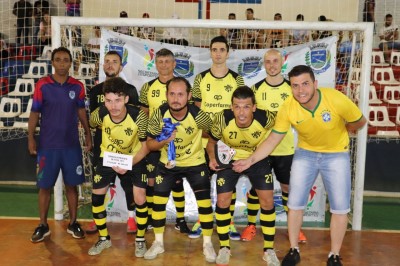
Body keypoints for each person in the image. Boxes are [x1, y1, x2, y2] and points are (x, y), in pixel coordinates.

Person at [233, 65, 367, 266]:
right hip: (306, 154)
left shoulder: (336, 99)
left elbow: (360, 121)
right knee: (294, 204)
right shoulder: (288, 107)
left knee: (340, 209)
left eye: (305, 84)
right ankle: (294, 250)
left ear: (315, 84)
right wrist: (251, 159)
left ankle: (334, 255)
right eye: (295, 85)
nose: (300, 90)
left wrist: (343, 129)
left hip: (336, 155)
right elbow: (273, 139)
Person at [142, 77, 216, 262]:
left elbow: (214, 133)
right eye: (172, 94)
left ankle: (207, 244)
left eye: (180, 94)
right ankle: (158, 243)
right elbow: (150, 145)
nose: (176, 99)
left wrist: (207, 146)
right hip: (167, 163)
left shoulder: (198, 114)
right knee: (158, 204)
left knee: (205, 203)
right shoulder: (159, 114)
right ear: (166, 95)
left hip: (195, 162)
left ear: (189, 96)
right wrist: (163, 141)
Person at [207, 86, 278, 265]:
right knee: (223, 201)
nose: (241, 112)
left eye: (246, 106)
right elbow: (211, 141)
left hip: (256, 159)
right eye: (237, 106)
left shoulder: (266, 118)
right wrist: (212, 157)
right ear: (231, 107)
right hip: (229, 158)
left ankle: (269, 250)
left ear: (254, 107)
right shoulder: (222, 118)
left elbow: (277, 135)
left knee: (268, 201)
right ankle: (224, 247)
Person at [241, 49, 307, 244]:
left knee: (287, 187)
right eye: (268, 62)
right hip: (261, 149)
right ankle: (251, 225)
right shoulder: (255, 89)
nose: (272, 65)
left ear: (281, 63)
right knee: (257, 188)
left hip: (285, 149)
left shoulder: (292, 89)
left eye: (275, 61)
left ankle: (293, 228)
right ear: (264, 64)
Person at [28, 47, 92, 243]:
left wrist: (88, 134)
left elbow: (82, 113)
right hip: (48, 146)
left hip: (71, 146)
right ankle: (42, 225)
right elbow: (34, 113)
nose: (62, 63)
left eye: (66, 60)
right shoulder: (42, 85)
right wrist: (30, 137)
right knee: (45, 187)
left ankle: (73, 222)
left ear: (71, 62)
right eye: (58, 60)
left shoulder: (78, 86)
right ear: (52, 62)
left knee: (71, 186)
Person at [190, 35, 245, 240]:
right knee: (202, 183)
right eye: (215, 49)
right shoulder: (200, 79)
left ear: (227, 53)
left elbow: (241, 110)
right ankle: (202, 221)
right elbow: (195, 111)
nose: (218, 53)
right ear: (210, 52)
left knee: (227, 184)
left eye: (222, 49)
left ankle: (228, 222)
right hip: (204, 141)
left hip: (228, 142)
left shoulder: (236, 79)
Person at [87, 77, 150, 256]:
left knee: (139, 197)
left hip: (134, 157)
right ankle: (104, 239)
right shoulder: (98, 114)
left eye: (118, 100)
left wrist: (128, 163)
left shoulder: (139, 117)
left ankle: (140, 240)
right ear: (104, 100)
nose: (113, 106)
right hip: (108, 157)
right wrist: (113, 160)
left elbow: (146, 146)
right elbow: (93, 126)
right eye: (108, 101)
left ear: (126, 99)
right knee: (97, 197)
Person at [86, 50, 140, 234]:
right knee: (100, 185)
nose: (110, 64)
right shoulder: (95, 91)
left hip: (127, 148)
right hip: (104, 147)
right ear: (103, 66)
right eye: (107, 61)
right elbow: (95, 120)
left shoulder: (131, 90)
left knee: (128, 185)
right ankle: (97, 219)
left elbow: (133, 119)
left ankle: (131, 219)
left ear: (121, 66)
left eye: (114, 61)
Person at [139, 48, 189, 233]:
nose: (164, 65)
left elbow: (188, 113)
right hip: (155, 142)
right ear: (156, 64)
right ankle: (152, 217)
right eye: (160, 61)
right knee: (152, 181)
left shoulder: (182, 86)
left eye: (168, 61)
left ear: (174, 64)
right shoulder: (147, 87)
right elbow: (143, 114)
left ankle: (181, 219)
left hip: (176, 142)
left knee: (177, 181)